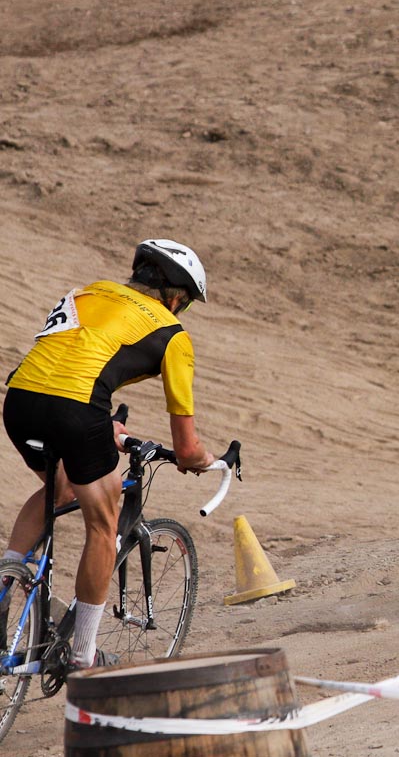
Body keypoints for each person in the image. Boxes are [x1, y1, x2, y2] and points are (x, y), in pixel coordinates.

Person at [3, 239, 216, 669]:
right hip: (78, 412)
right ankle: (82, 655)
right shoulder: (172, 334)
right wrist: (205, 461)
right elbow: (187, 447)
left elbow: (70, 361)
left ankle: (6, 580)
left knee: (61, 487)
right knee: (104, 521)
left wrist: (106, 424)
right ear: (176, 297)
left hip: (21, 400)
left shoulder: (85, 292)